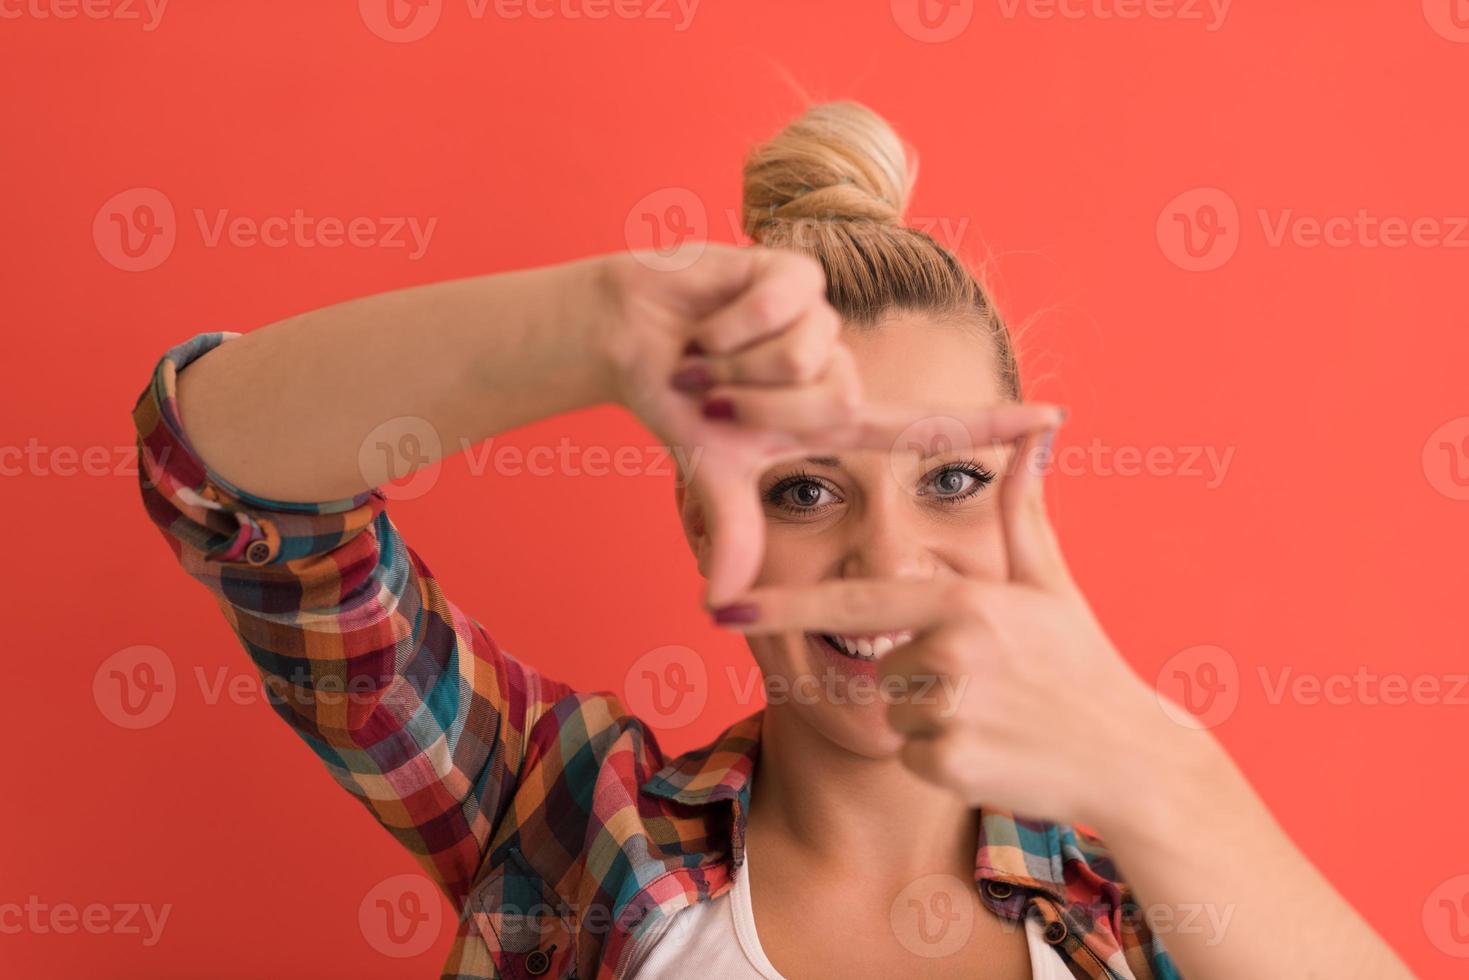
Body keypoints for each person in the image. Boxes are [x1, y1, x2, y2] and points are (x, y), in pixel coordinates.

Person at [132, 101, 1410, 979]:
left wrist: (1157, 776)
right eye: (804, 489)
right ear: (706, 525)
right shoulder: (575, 824)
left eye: (952, 477)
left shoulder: (1144, 892)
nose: (885, 556)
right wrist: (594, 321)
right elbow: (222, 479)